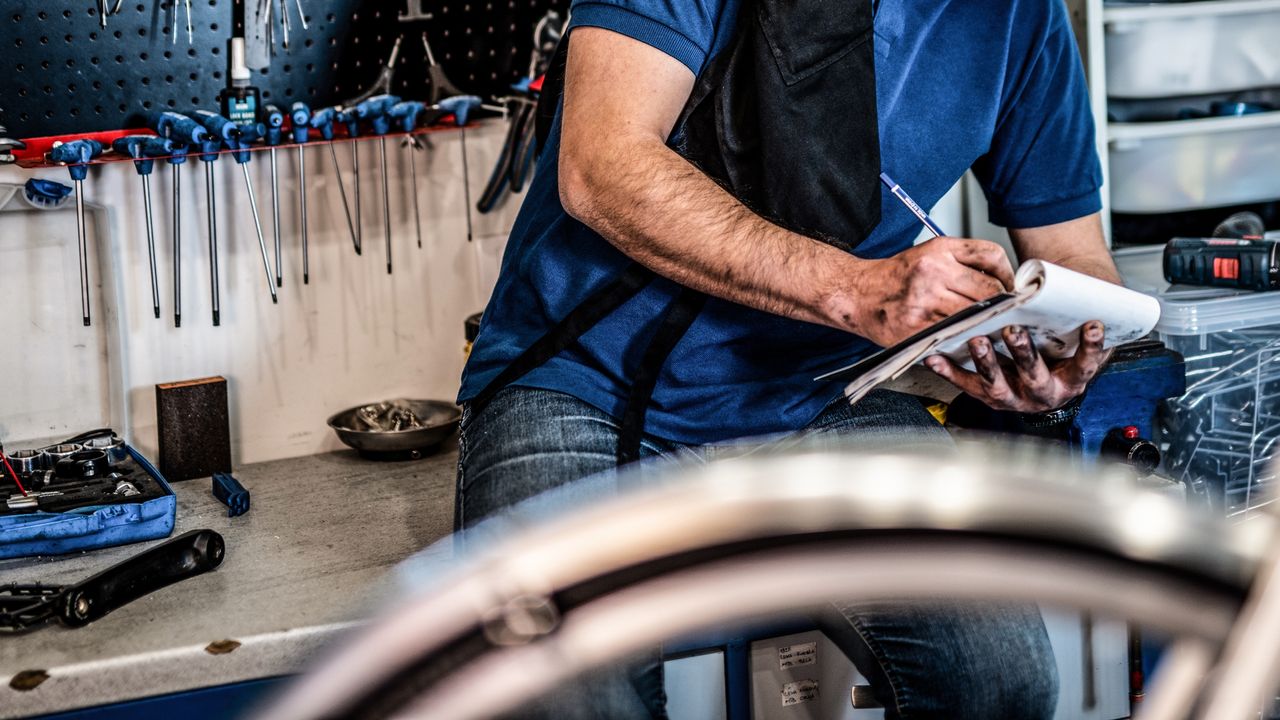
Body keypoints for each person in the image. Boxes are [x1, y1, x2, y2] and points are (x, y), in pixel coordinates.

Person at [455, 0, 1122, 717]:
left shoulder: (1019, 15)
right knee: (569, 693)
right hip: (585, 384)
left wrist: (1063, 346)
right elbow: (602, 164)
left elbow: (1072, 251)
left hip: (817, 394)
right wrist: (857, 291)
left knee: (998, 681)